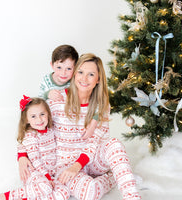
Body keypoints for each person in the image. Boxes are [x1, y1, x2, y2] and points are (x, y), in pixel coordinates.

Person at [18, 53, 141, 200]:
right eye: (80, 72)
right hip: (65, 164)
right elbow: (33, 125)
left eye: (91, 74)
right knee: (90, 192)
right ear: (74, 74)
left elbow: (95, 140)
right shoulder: (56, 100)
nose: (84, 78)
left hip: (92, 159)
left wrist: (78, 165)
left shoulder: (101, 105)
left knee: (114, 144)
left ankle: (133, 197)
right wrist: (21, 155)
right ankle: (113, 177)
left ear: (98, 79)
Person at [0, 96, 70, 200]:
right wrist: (46, 176)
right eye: (33, 116)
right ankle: (5, 196)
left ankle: (28, 197)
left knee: (64, 193)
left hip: (49, 173)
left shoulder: (51, 130)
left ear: (48, 114)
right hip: (34, 172)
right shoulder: (31, 136)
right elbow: (35, 160)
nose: (39, 119)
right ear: (27, 120)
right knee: (46, 187)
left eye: (42, 114)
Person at [39, 44, 97, 139]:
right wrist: (47, 94)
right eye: (59, 67)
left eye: (69, 69)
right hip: (53, 118)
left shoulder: (75, 81)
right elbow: (40, 100)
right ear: (52, 65)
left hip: (70, 117)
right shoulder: (47, 80)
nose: (63, 73)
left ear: (75, 68)